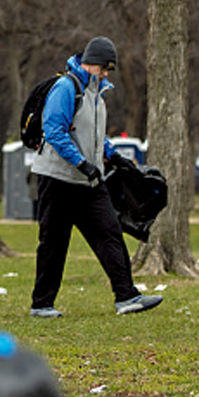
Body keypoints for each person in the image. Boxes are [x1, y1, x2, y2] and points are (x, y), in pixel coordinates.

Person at [30, 37, 163, 318]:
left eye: (109, 70)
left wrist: (112, 155)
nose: (106, 74)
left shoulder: (97, 95)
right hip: (57, 178)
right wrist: (81, 163)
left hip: (88, 181)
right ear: (91, 62)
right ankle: (41, 304)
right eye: (104, 68)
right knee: (54, 242)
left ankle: (127, 296)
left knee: (110, 232)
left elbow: (94, 135)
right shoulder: (66, 87)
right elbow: (54, 130)